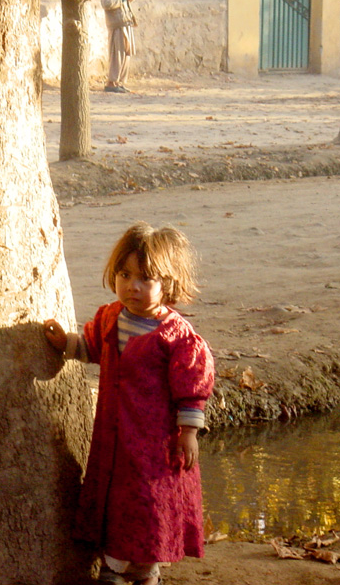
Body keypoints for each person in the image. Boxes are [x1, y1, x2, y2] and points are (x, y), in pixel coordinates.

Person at [43, 222, 214, 585]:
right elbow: (92, 348)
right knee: (117, 506)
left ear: (167, 283)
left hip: (154, 450)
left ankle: (138, 571)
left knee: (148, 508)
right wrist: (65, 344)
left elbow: (191, 387)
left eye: (145, 279)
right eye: (124, 274)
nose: (132, 286)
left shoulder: (176, 337)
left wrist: (189, 433)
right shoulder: (110, 317)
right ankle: (122, 569)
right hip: (114, 444)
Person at [101, 0, 137, 94]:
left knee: (126, 54)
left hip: (126, 24)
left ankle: (119, 82)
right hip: (116, 26)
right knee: (117, 54)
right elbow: (106, 3)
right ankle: (111, 82)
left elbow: (124, 0)